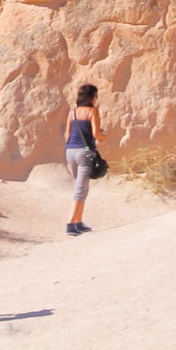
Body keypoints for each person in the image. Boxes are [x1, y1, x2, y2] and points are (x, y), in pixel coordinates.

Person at [63, 84, 106, 236]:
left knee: (81, 187)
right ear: (92, 97)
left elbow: (67, 135)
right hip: (84, 152)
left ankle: (78, 222)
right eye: (96, 96)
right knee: (80, 190)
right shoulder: (92, 111)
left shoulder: (72, 113)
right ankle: (70, 224)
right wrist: (103, 136)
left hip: (70, 151)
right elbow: (96, 133)